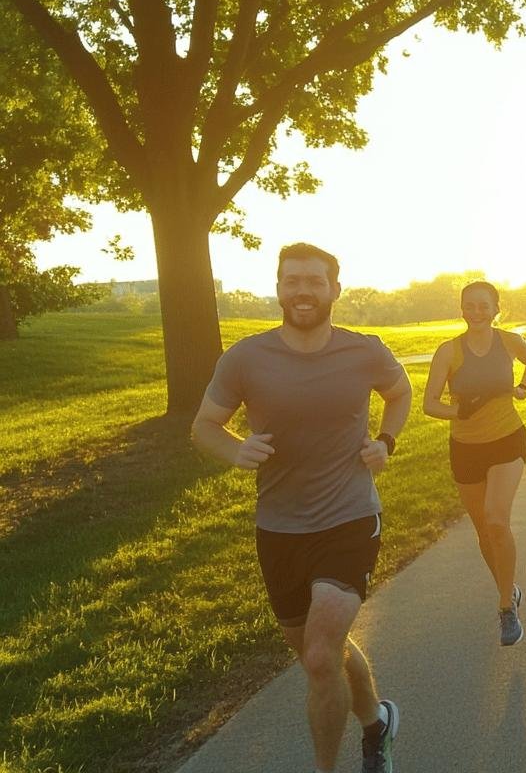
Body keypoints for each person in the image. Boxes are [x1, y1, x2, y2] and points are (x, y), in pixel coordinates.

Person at [191, 243, 410, 773]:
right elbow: (203, 427)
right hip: (280, 527)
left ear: (335, 289)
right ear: (279, 288)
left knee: (318, 656)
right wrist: (234, 449)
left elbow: (399, 393)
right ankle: (375, 722)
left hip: (350, 516)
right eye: (292, 281)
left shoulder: (364, 350)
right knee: (319, 654)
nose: (302, 291)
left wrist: (386, 440)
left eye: (314, 281)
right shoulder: (246, 358)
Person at [422, 281, 526, 646]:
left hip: (507, 439)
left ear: (495, 308)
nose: (476, 310)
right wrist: (460, 409)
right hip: (466, 447)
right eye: (469, 305)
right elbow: (429, 404)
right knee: (484, 531)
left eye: (483, 305)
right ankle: (510, 588)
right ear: (462, 308)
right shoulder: (449, 352)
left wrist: (524, 386)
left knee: (495, 519)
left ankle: (506, 607)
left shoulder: (510, 341)